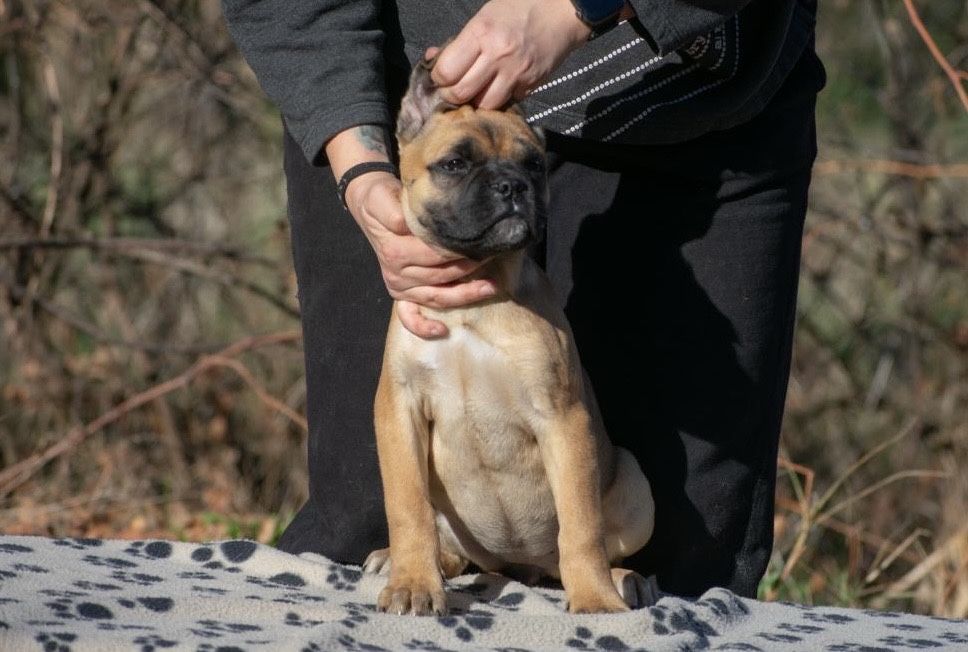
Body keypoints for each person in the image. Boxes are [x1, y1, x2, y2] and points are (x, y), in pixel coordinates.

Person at [221, 0, 825, 598]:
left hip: (685, 88)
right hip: (397, 75)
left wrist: (575, 7)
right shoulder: (415, 135)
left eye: (523, 173)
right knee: (357, 527)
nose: (507, 190)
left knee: (686, 542)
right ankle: (444, 558)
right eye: (460, 166)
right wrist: (359, 171)